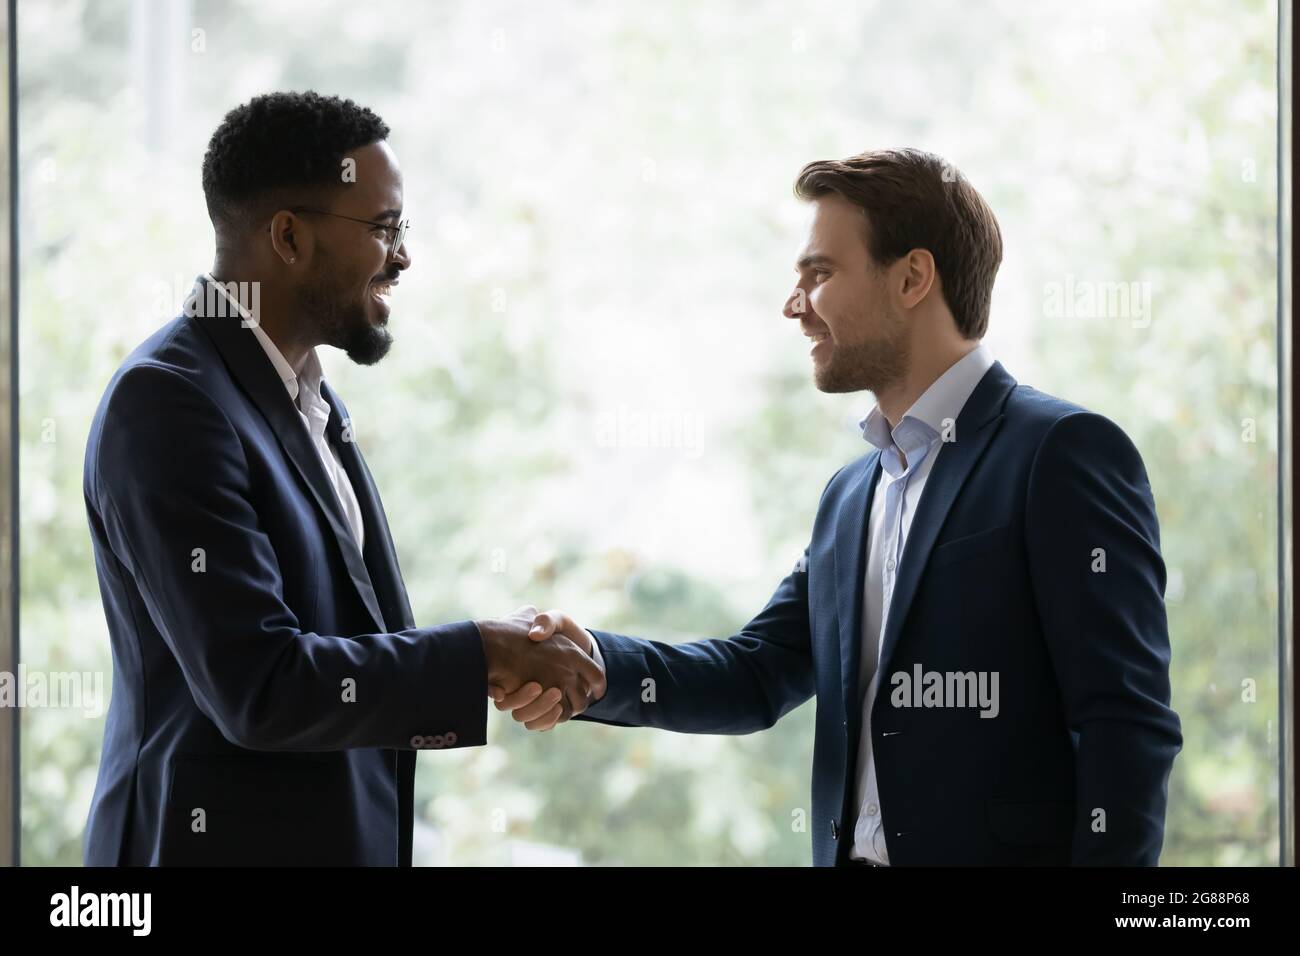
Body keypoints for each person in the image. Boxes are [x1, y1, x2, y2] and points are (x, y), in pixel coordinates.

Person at [499, 148, 1183, 866]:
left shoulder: (1062, 452)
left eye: (819, 274)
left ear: (913, 277)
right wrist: (598, 665)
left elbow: (1125, 723)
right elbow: (757, 673)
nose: (794, 306)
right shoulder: (850, 495)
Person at [82, 91, 603, 866]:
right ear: (288, 236)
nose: (402, 256)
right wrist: (482, 654)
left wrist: (495, 649)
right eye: (384, 229)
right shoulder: (168, 401)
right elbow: (260, 685)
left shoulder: (307, 399)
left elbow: (353, 652)